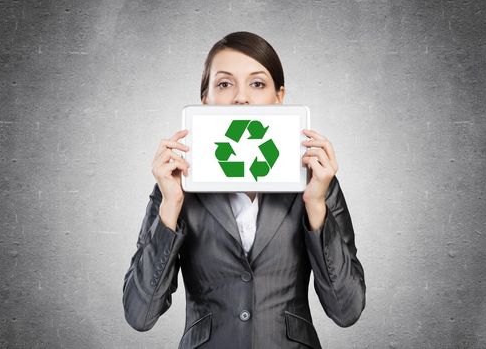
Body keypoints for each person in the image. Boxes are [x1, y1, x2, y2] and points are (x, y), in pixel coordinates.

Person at [123, 31, 365, 349]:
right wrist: (171, 204)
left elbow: (346, 311)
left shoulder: (315, 181)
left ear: (280, 97)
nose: (241, 98)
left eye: (257, 83)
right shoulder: (177, 185)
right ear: (205, 99)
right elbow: (140, 315)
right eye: (224, 84)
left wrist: (316, 204)